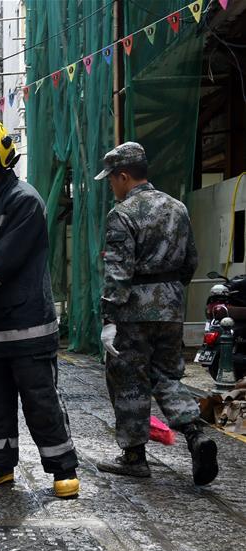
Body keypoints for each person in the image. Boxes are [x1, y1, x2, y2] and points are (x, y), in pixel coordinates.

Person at [0, 115, 80, 499]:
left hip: (26, 326)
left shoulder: (25, 201)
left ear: (4, 156)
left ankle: (62, 468)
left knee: (40, 400)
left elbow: (4, 262)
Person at [94, 142, 218, 486]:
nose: (111, 186)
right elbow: (191, 259)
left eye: (111, 180)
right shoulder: (177, 207)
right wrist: (171, 294)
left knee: (129, 380)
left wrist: (109, 317)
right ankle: (195, 435)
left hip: (134, 309)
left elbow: (118, 271)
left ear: (123, 176)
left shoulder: (122, 214)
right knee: (167, 376)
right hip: (171, 305)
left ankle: (134, 457)